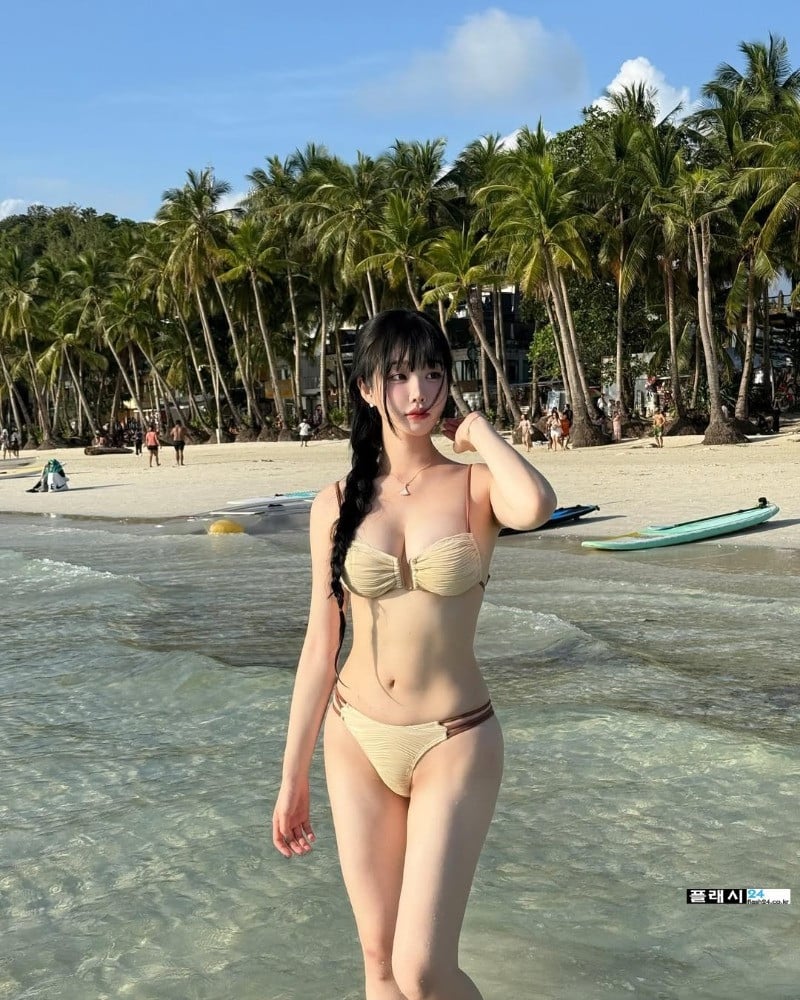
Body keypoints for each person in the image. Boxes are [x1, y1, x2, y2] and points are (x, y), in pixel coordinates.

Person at [272, 309, 556, 1000]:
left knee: (422, 970)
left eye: (433, 373)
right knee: (378, 963)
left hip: (453, 739)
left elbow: (537, 505)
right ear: (368, 388)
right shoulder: (335, 504)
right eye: (399, 376)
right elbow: (321, 644)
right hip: (355, 738)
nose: (419, 392)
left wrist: (481, 434)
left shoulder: (474, 486)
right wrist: (292, 776)